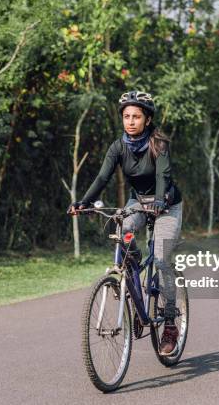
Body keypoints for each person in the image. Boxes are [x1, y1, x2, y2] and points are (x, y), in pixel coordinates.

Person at [67, 91, 183, 356]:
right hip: (139, 201)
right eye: (127, 116)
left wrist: (162, 200)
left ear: (147, 118)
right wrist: (83, 202)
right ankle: (131, 277)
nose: (130, 121)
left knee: (163, 258)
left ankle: (169, 326)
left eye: (137, 116)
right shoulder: (118, 146)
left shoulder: (159, 143)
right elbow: (102, 177)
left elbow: (164, 177)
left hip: (167, 204)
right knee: (124, 229)